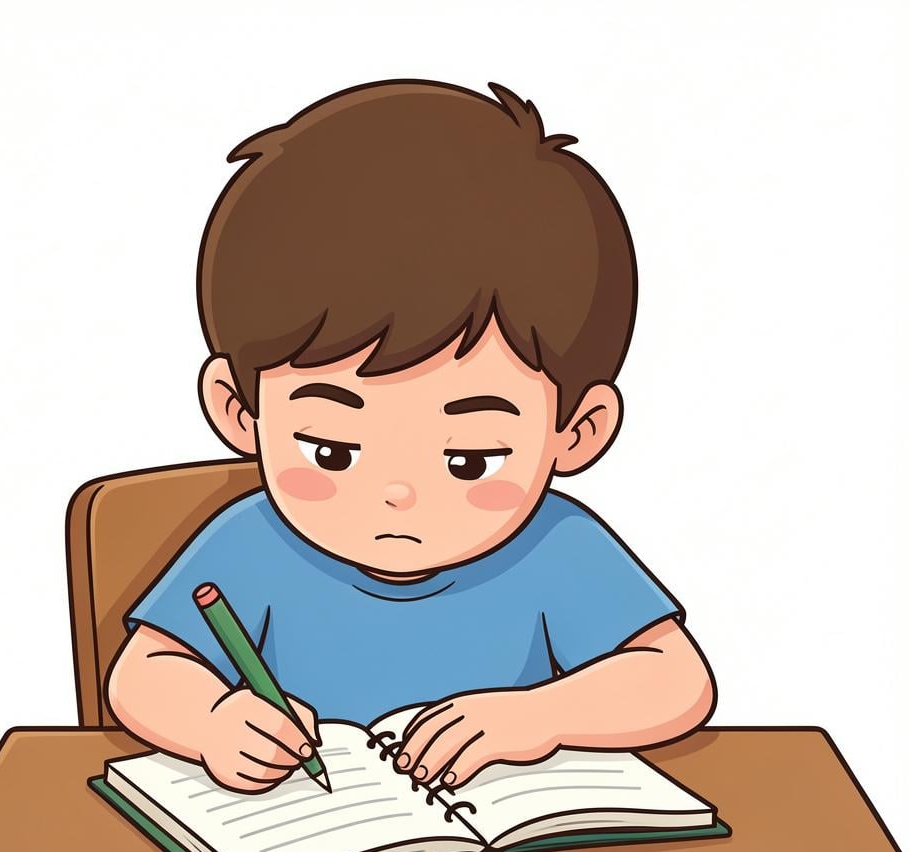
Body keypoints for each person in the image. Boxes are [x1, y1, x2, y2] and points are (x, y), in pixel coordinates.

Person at [107, 79, 716, 795]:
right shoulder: (247, 543)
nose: (398, 494)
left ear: (575, 433)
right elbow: (142, 673)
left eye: (469, 459)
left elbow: (678, 681)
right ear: (240, 412)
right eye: (331, 451)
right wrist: (212, 721)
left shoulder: (561, 546)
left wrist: (540, 717)